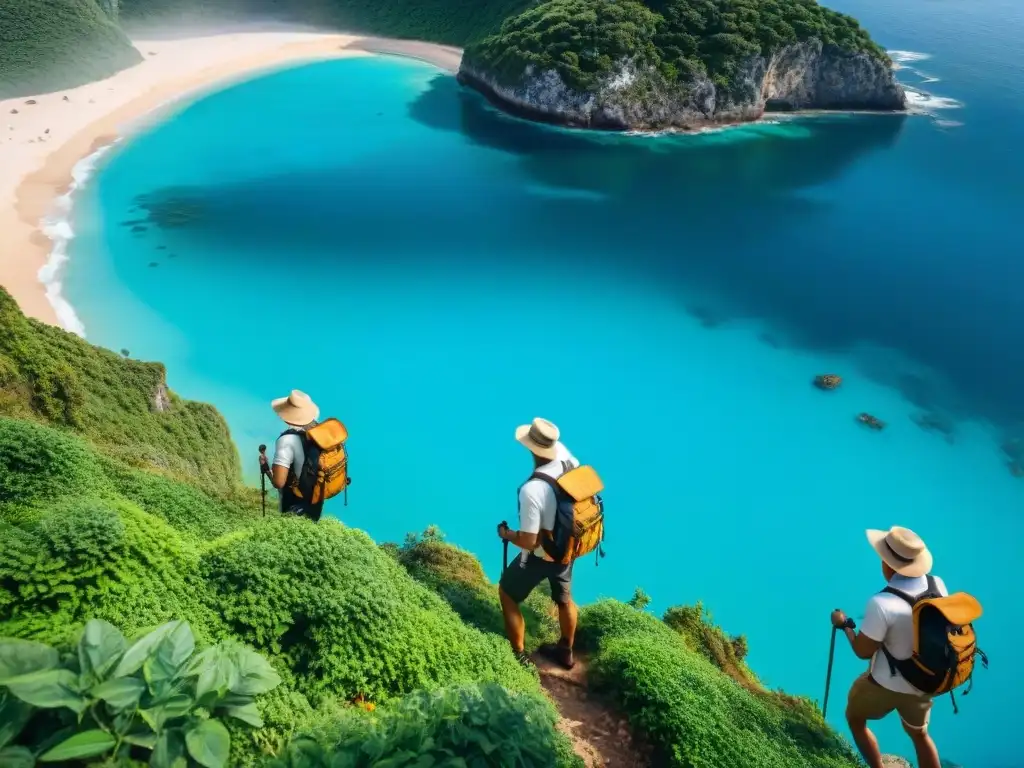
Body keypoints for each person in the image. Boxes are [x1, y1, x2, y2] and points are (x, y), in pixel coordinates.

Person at [830, 526, 947, 768]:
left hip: (885, 683)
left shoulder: (882, 603)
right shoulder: (938, 586)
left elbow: (863, 651)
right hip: (924, 682)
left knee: (855, 718)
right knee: (920, 735)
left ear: (888, 565)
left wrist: (845, 626)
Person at [497, 417, 580, 670]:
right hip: (568, 547)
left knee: (507, 593)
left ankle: (519, 655)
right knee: (565, 600)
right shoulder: (568, 459)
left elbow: (530, 542)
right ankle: (565, 650)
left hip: (541, 554)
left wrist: (507, 534)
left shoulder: (532, 490)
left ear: (531, 448)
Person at [260, 389, 325, 522]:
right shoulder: (320, 434)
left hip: (294, 506)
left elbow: (279, 482)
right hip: (316, 503)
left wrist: (266, 467)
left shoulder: (287, 440)